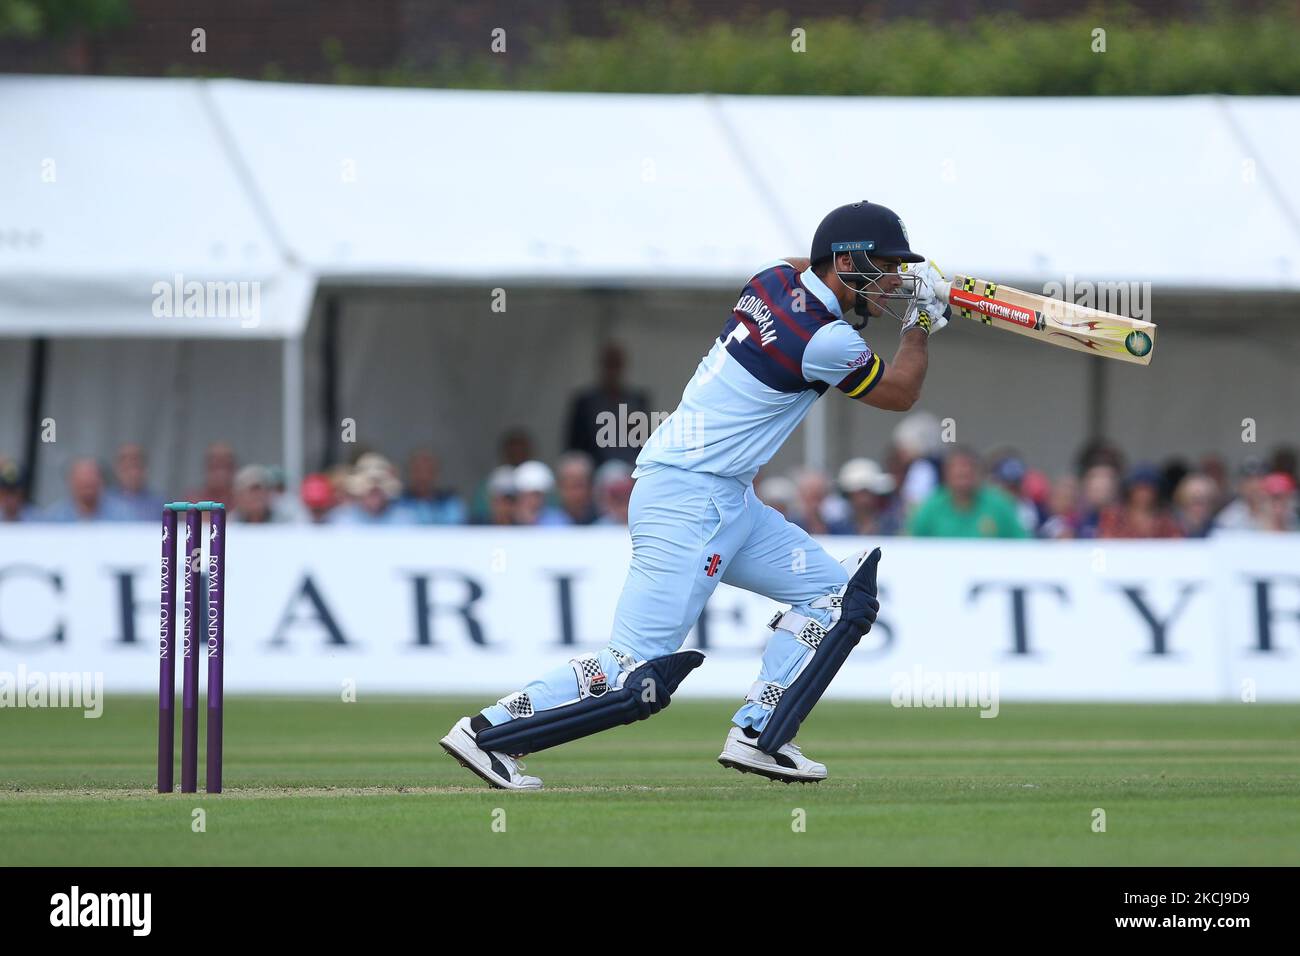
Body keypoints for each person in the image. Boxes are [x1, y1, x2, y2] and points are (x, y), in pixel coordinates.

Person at [441, 200, 944, 789]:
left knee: (839, 600)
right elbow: (901, 392)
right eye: (884, 268)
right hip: (690, 498)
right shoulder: (824, 340)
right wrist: (921, 323)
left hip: (721, 495)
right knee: (636, 675)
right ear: (848, 261)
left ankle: (761, 733)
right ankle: (488, 733)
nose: (891, 283)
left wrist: (902, 284)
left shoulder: (771, 279)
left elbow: (802, 265)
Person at [564, 342, 652, 467]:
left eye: (616, 365)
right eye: (609, 365)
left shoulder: (637, 401)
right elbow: (574, 447)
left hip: (631, 469)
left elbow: (646, 444)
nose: (613, 371)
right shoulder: (585, 402)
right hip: (595, 470)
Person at [907, 448, 1028, 539]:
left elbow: (1023, 543)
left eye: (967, 474)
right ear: (946, 475)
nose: (963, 478)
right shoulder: (930, 507)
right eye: (958, 474)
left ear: (979, 474)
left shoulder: (1000, 506)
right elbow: (910, 544)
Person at [42, 458, 132, 522]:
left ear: (102, 482)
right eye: (82, 484)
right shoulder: (55, 517)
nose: (88, 486)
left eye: (91, 483)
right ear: (70, 483)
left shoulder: (123, 515)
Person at [398, 449, 466, 525]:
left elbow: (457, 529)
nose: (423, 476)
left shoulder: (450, 502)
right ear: (410, 472)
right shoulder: (399, 502)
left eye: (428, 471)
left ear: (436, 473)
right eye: (418, 470)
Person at [837, 457, 900, 536]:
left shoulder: (893, 527)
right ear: (850, 495)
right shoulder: (837, 528)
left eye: (868, 492)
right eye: (860, 493)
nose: (864, 499)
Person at [103, 443, 163, 521]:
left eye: (136, 466)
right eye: (127, 468)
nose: (132, 473)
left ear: (145, 469)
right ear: (117, 469)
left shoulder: (158, 503)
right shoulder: (103, 501)